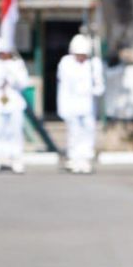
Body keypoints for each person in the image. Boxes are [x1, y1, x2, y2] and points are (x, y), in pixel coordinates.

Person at [0, 37, 30, 174]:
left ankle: (15, 158)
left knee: (14, 132)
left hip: (13, 101)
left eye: (5, 52)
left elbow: (24, 83)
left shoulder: (18, 64)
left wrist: (11, 74)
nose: (3, 55)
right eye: (1, 52)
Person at [57, 34, 105, 173]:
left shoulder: (93, 64)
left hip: (88, 104)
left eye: (83, 54)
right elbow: (64, 86)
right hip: (72, 103)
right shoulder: (66, 63)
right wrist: (63, 107)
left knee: (88, 131)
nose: (81, 57)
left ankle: (85, 158)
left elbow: (100, 86)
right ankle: (74, 157)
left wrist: (94, 90)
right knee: (74, 132)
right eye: (78, 54)